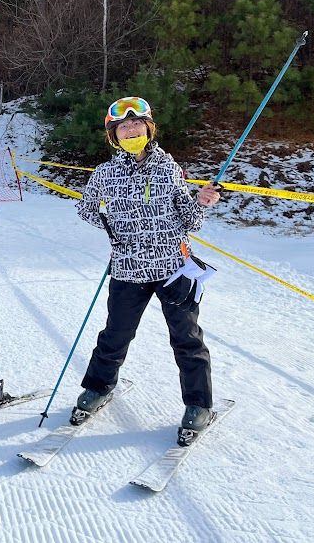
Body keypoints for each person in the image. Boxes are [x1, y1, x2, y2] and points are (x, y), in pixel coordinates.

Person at [74, 96, 222, 440]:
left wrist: (200, 201)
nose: (131, 129)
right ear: (114, 135)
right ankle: (98, 387)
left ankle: (199, 404)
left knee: (186, 339)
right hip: (127, 270)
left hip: (173, 267)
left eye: (136, 123)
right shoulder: (104, 173)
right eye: (123, 126)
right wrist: (112, 225)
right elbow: (85, 209)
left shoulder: (169, 169)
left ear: (148, 128)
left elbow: (189, 219)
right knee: (115, 335)